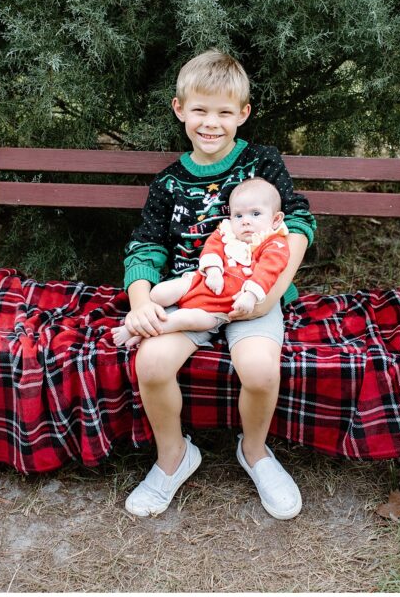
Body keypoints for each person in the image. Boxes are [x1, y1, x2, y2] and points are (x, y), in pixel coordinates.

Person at [120, 49, 316, 520]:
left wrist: (269, 295)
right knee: (150, 362)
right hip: (193, 293)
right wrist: (141, 300)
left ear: (243, 114)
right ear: (180, 110)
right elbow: (146, 247)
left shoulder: (261, 163)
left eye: (224, 112)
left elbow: (299, 224)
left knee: (260, 370)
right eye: (201, 111)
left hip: (254, 294)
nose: (211, 123)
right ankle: (174, 456)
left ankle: (255, 451)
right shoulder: (168, 184)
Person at [111, 177, 291, 348]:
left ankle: (138, 331)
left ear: (276, 219)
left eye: (255, 214)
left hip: (218, 308)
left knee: (185, 319)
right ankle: (146, 316)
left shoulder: (274, 244)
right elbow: (211, 249)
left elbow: (267, 271)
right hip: (199, 282)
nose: (245, 221)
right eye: (238, 215)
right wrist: (213, 270)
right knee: (159, 293)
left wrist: (250, 295)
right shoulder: (226, 232)